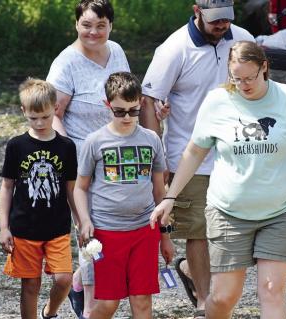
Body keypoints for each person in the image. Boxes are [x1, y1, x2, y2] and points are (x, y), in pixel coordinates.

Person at [150, 40, 286, 319]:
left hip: (282, 209)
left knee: (271, 290)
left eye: (250, 77)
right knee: (222, 298)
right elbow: (194, 152)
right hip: (228, 212)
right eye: (236, 78)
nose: (243, 85)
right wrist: (170, 198)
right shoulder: (218, 101)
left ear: (264, 67)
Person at [140, 1, 254, 316]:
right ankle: (206, 303)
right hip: (187, 153)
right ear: (196, 11)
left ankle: (193, 271)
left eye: (227, 20)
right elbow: (148, 100)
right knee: (198, 230)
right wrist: (157, 160)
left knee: (232, 227)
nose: (222, 26)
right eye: (216, 20)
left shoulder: (242, 40)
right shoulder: (174, 49)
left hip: (235, 151)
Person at [45, 1, 136, 317]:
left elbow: (124, 95)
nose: (93, 32)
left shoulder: (116, 51)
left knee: (114, 232)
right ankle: (92, 303)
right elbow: (52, 114)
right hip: (82, 164)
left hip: (118, 160)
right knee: (91, 231)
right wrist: (68, 152)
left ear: (111, 25)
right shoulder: (66, 64)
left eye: (100, 25)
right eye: (86, 25)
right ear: (76, 25)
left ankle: (80, 283)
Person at [74, 72, 175, 319]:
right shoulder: (94, 142)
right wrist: (84, 221)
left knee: (142, 302)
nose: (127, 117)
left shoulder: (151, 139)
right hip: (107, 232)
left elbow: (160, 191)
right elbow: (80, 188)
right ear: (107, 105)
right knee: (108, 303)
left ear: (141, 103)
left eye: (133, 110)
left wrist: (165, 237)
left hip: (144, 230)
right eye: (119, 111)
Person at [0, 78, 78, 319]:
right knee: (30, 285)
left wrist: (81, 219)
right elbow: (6, 186)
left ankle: (50, 311)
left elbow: (71, 189)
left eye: (45, 116)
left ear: (55, 108)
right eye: (34, 118)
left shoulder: (66, 147)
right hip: (24, 228)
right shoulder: (16, 146)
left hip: (58, 227)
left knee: (64, 279)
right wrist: (4, 227)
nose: (40, 122)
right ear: (24, 111)